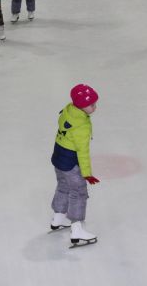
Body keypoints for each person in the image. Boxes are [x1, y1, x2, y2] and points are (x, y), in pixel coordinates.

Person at [50, 84, 100, 247]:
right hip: (71, 162)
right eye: (91, 104)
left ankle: (58, 219)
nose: (95, 107)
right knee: (78, 192)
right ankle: (77, 231)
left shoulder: (68, 110)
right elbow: (83, 152)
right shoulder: (82, 126)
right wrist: (87, 173)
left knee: (63, 185)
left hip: (59, 157)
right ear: (81, 105)